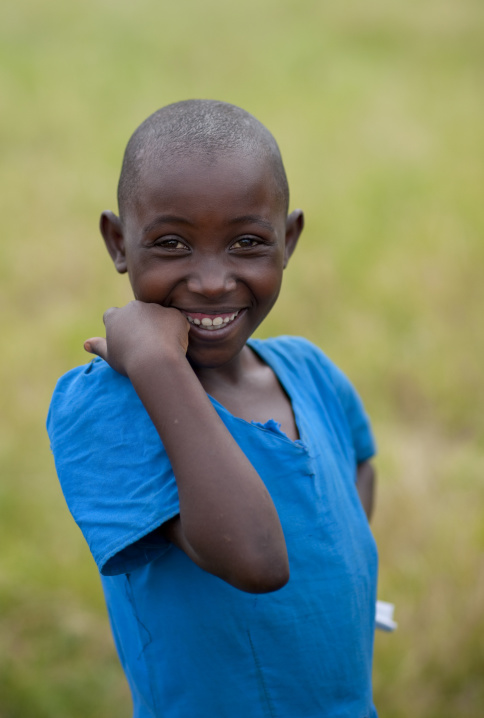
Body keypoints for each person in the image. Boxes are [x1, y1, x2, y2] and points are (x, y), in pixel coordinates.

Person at [47, 99, 378, 718]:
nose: (210, 281)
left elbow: (358, 463)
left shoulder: (309, 371)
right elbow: (254, 561)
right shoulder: (104, 406)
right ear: (119, 243)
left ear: (290, 240)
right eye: (171, 243)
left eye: (248, 242)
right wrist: (157, 366)